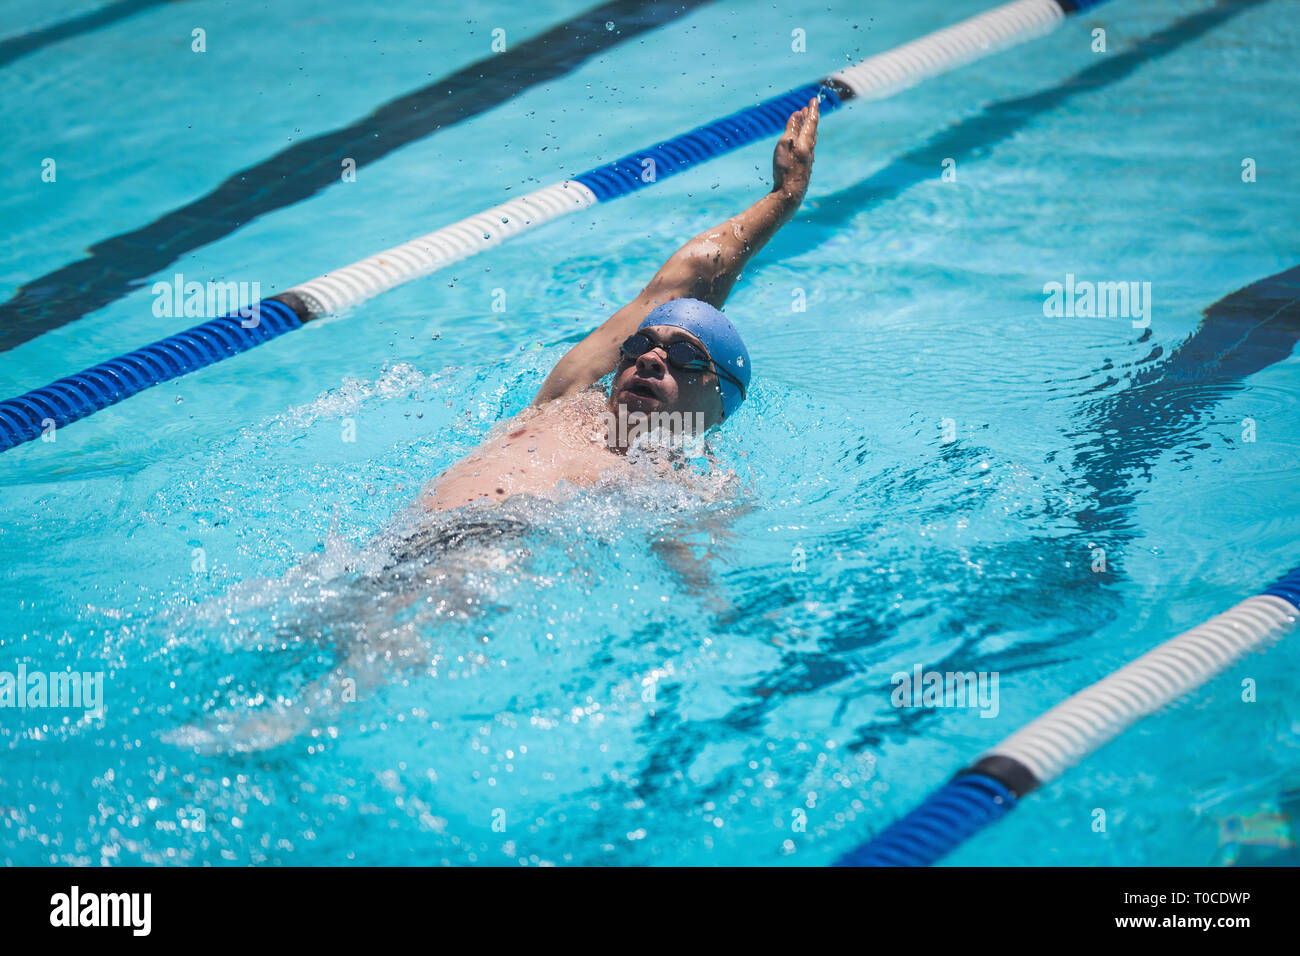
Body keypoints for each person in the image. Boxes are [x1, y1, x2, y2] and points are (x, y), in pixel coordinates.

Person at [419, 97, 821, 512]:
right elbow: (694, 274)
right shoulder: (568, 400)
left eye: (684, 356)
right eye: (637, 345)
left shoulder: (690, 489)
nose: (649, 359)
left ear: (719, 406)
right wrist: (783, 198)